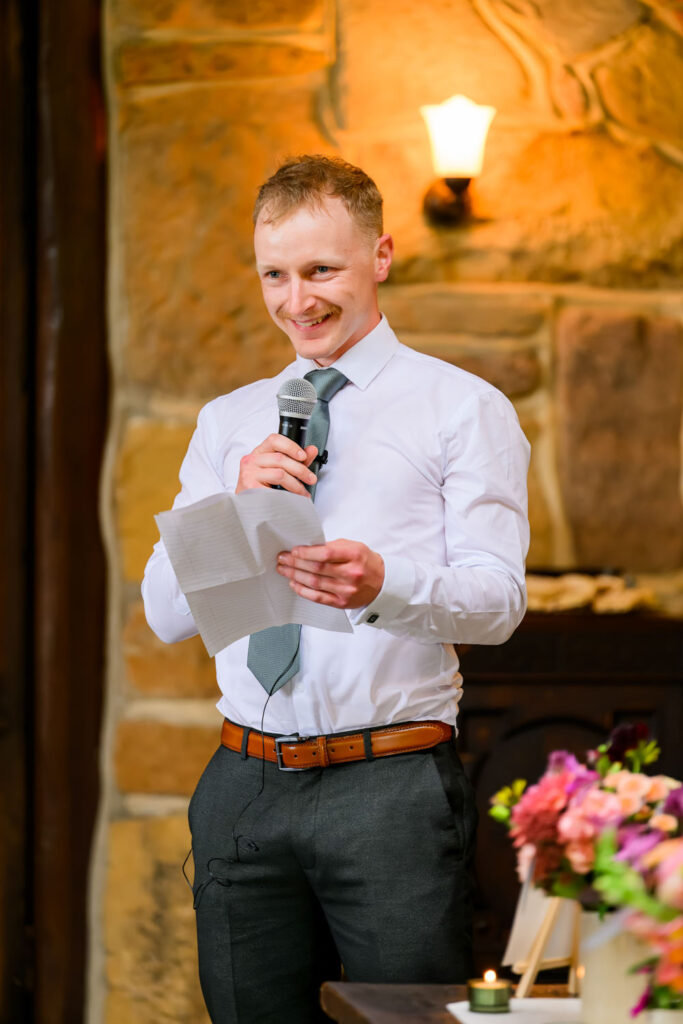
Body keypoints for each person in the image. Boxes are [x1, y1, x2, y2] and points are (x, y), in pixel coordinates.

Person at [142, 154, 530, 1024]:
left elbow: (498, 601)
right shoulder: (226, 423)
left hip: (387, 790)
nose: (296, 300)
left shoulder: (460, 408)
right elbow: (166, 614)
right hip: (242, 785)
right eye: (274, 275)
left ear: (380, 256)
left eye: (321, 270)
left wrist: (383, 582)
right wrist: (235, 507)